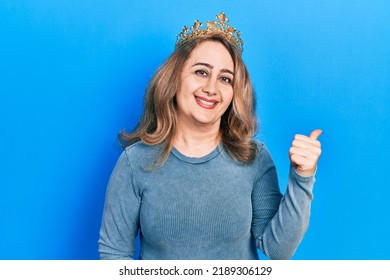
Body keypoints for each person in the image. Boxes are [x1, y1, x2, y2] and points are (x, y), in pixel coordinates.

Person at [98, 12, 322, 260]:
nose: (211, 88)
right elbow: (114, 254)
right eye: (201, 72)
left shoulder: (254, 158)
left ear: (234, 92)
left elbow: (278, 250)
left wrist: (302, 176)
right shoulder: (135, 162)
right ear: (175, 78)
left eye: (225, 79)